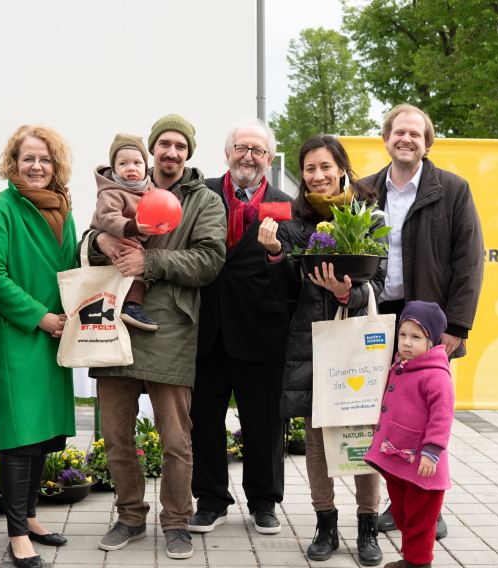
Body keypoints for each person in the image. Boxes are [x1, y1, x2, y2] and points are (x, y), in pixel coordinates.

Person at [86, 114, 226, 560]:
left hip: (171, 328)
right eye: (163, 144)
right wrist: (97, 243)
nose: (171, 152)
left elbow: (209, 261)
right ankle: (129, 516)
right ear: (152, 151)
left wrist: (150, 265)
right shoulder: (123, 191)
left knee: (176, 439)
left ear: (188, 152)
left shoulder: (205, 201)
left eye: (179, 146)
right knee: (116, 436)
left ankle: (176, 521)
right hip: (114, 328)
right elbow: (92, 235)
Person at [258, 135, 386, 565]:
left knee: (361, 436)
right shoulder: (294, 224)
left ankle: (367, 526)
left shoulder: (367, 216)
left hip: (357, 347)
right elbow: (284, 294)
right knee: (316, 440)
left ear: (342, 168)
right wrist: (276, 253)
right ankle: (325, 523)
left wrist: (348, 293)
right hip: (313, 345)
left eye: (325, 166)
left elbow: (381, 285)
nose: (318, 175)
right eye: (310, 168)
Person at [360, 103, 484, 539]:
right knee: (387, 417)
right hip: (375, 316)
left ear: (427, 142)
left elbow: (468, 262)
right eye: (399, 132)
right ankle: (398, 501)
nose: (406, 139)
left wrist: (455, 328)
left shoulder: (452, 190)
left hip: (426, 324)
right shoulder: (363, 191)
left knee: (426, 417)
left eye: (415, 133)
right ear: (386, 138)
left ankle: (429, 501)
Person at [0, 125, 78, 568]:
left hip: (57, 332)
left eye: (45, 159)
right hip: (18, 335)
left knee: (41, 434)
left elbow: (72, 264)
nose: (37, 166)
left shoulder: (64, 208)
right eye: (28, 158)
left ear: (56, 165)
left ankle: (31, 517)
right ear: (13, 163)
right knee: (19, 435)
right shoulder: (1, 210)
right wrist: (40, 316)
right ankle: (17, 535)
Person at [188, 119, 293, 536]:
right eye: (241, 148)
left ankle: (264, 502)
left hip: (261, 332)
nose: (249, 156)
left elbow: (292, 283)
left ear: (269, 159)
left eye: (258, 150)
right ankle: (211, 500)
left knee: (264, 422)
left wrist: (275, 254)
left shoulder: (285, 204)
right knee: (205, 419)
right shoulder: (202, 193)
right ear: (227, 152)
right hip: (206, 329)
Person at [365, 301, 454, 568]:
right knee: (403, 515)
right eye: (402, 335)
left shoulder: (435, 375)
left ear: (432, 341)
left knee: (421, 520)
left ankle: (419, 563)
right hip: (400, 462)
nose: (406, 342)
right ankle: (411, 558)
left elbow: (442, 416)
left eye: (416, 337)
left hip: (424, 466)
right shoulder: (401, 365)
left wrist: (432, 452)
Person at [89, 133, 159, 331]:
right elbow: (108, 217)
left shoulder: (150, 190)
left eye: (137, 162)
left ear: (146, 166)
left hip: (133, 241)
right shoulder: (110, 191)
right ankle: (125, 306)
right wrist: (132, 227)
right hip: (111, 241)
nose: (131, 168)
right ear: (114, 168)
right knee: (124, 272)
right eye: (123, 163)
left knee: (143, 271)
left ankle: (132, 306)